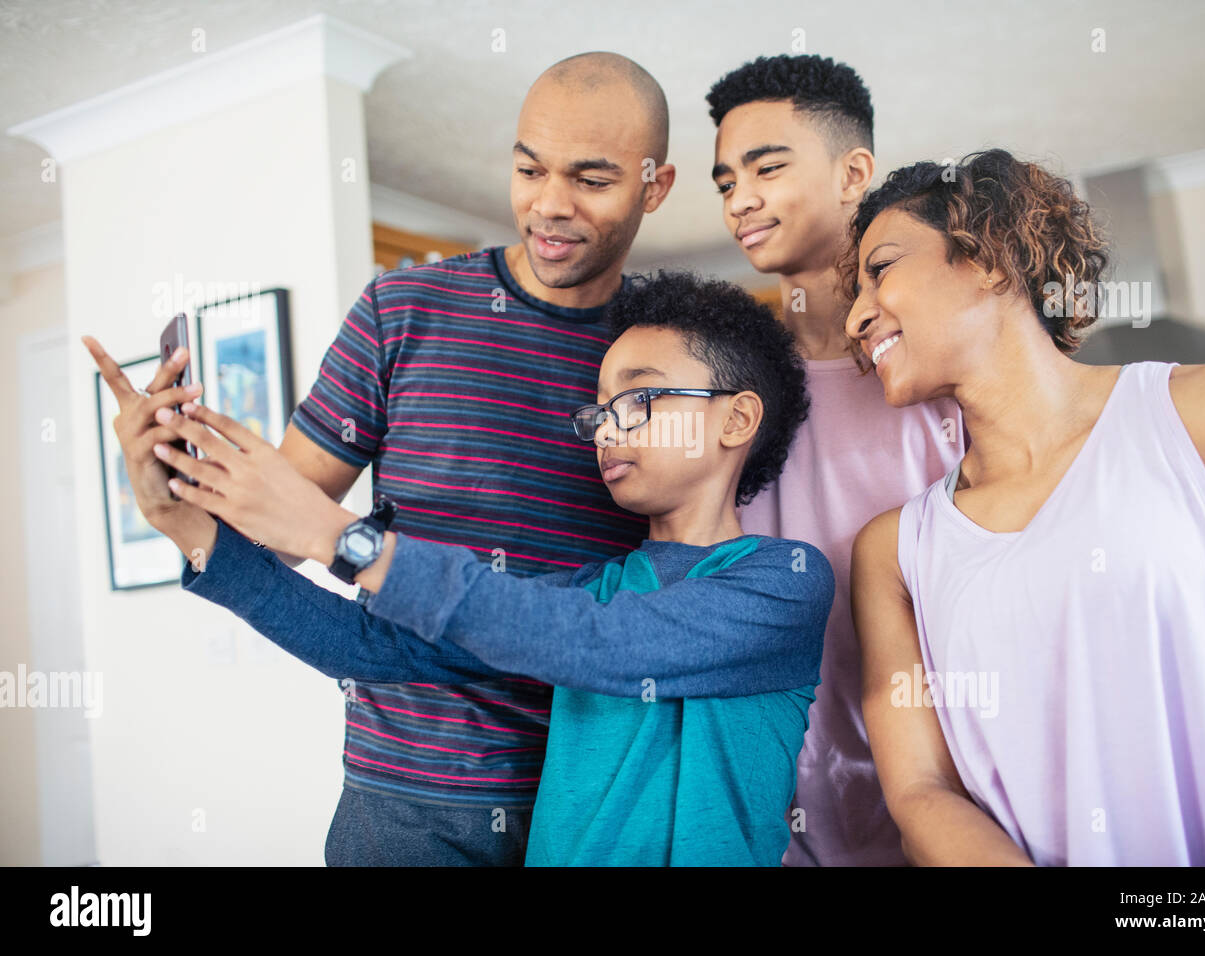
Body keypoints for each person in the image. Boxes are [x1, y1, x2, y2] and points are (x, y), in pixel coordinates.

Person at [91, 51, 677, 866]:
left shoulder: (671, 352)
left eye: (592, 179)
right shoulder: (403, 312)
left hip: (600, 791)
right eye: (528, 168)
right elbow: (281, 529)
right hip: (405, 804)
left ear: (657, 187)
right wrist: (170, 496)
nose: (550, 205)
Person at [88, 271, 834, 866]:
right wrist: (185, 528)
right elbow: (372, 647)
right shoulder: (592, 586)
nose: (607, 428)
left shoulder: (785, 581)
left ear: (736, 420)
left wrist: (337, 533)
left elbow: (600, 642)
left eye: (637, 399)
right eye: (598, 411)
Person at [847, 148, 1205, 865]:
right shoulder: (894, 552)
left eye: (881, 271)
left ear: (987, 255)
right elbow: (921, 791)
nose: (855, 318)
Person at [707, 54, 964, 865]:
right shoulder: (724, 384)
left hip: (952, 796)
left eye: (766, 168)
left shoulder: (939, 371)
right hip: (775, 807)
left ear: (854, 172)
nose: (738, 199)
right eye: (723, 182)